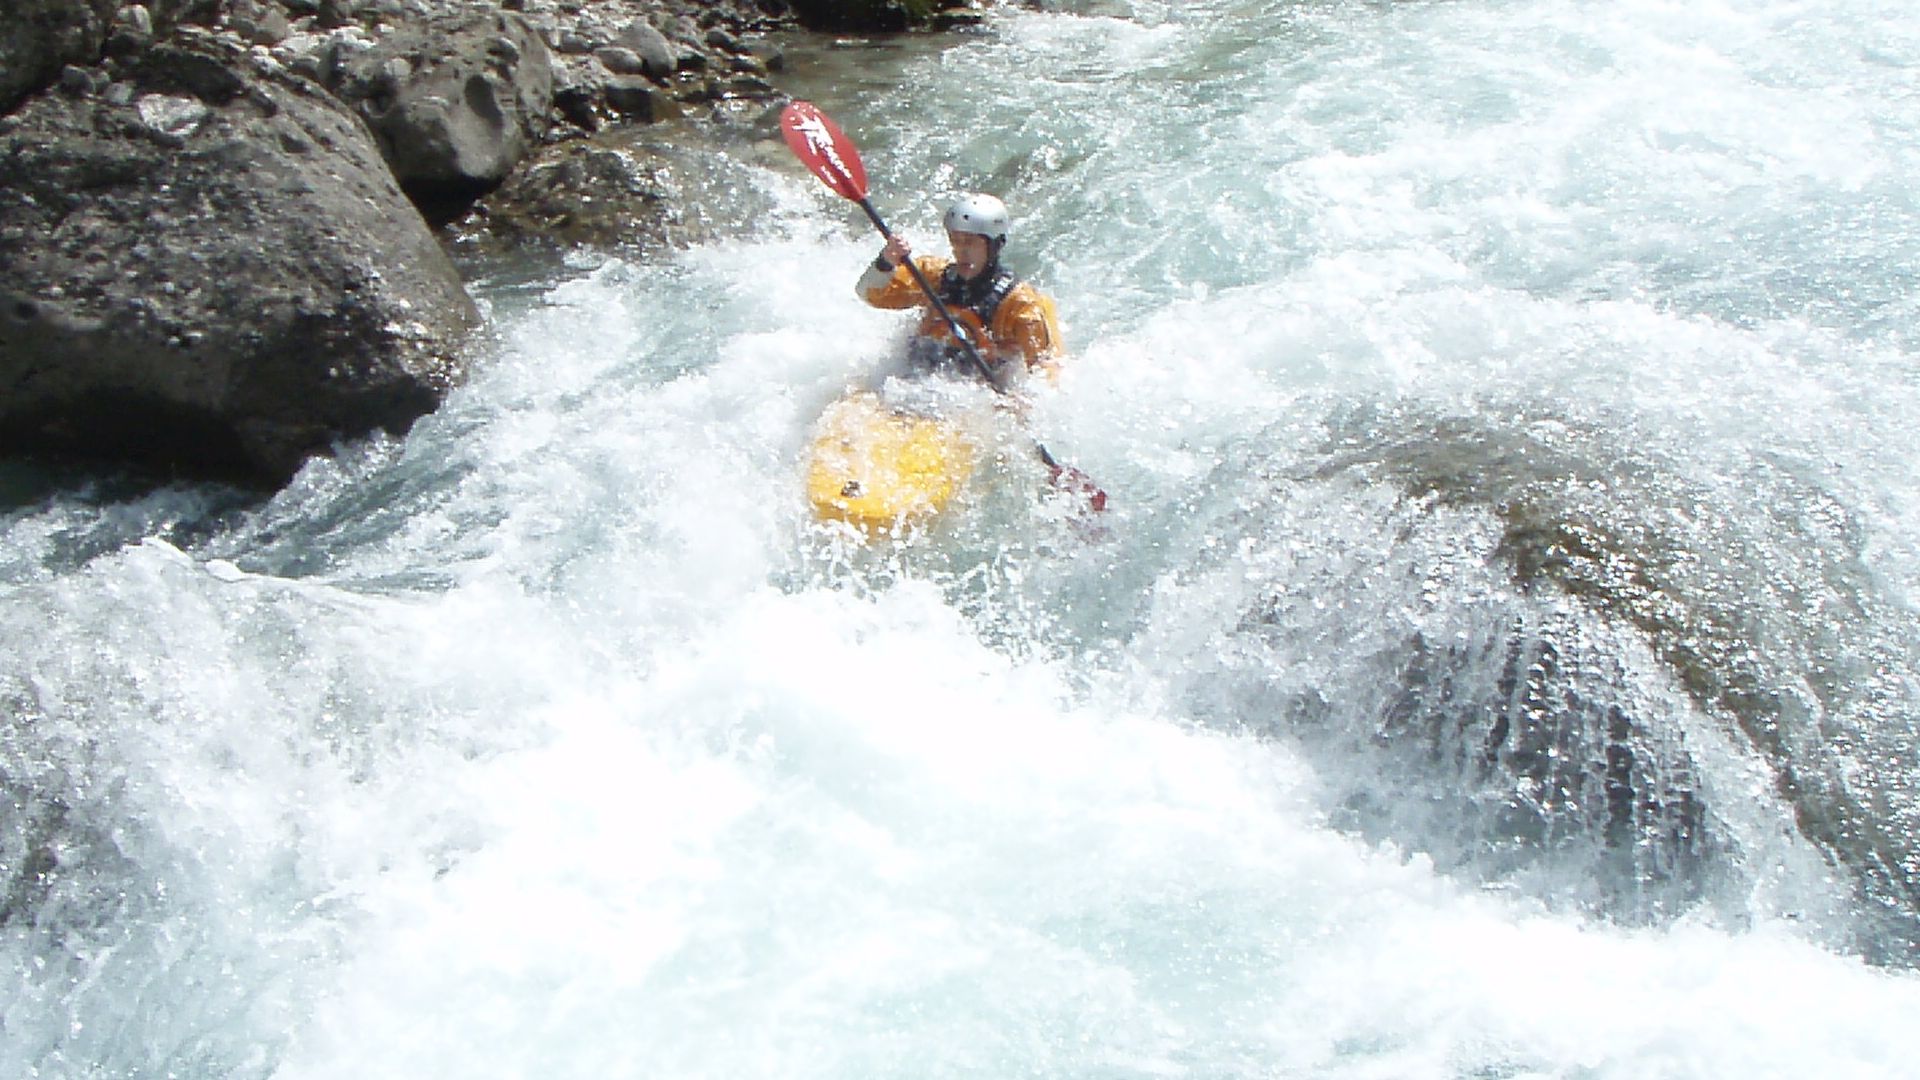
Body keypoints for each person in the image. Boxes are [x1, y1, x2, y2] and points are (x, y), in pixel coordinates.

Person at [854, 193, 1064, 388]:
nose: (961, 251)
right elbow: (868, 294)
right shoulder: (931, 276)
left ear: (995, 245)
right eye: (955, 240)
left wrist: (1018, 400)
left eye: (970, 242)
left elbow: (1046, 372)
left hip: (976, 393)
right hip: (916, 380)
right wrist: (887, 260)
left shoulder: (1020, 304)